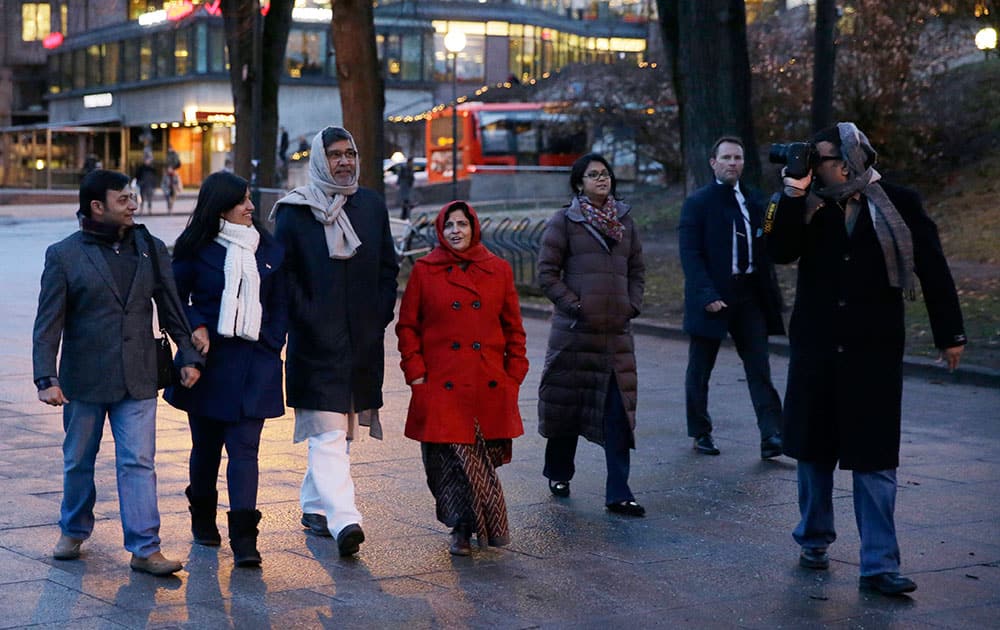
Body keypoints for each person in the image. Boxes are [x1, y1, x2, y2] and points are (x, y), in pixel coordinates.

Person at [768, 122, 966, 596]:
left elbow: (933, 266)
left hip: (872, 351)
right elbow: (778, 250)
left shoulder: (899, 203)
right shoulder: (804, 204)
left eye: (823, 160)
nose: (815, 168)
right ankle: (814, 540)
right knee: (814, 453)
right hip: (817, 348)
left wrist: (949, 333)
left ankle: (879, 564)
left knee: (875, 459)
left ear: (850, 160)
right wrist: (792, 195)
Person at [32, 169, 202, 576]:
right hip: (84, 381)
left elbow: (172, 305)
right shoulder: (64, 254)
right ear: (97, 206)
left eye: (133, 197)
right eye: (123, 199)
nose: (133, 204)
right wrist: (46, 378)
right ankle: (73, 529)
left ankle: (146, 547)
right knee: (78, 459)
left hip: (138, 376)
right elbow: (48, 322)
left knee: (139, 461)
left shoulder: (150, 247)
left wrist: (189, 355)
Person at [271, 126, 399, 556]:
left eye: (350, 153)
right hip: (313, 341)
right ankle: (346, 519)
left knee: (340, 433)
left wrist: (378, 314)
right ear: (319, 161)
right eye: (335, 155)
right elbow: (282, 275)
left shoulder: (370, 206)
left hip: (361, 341)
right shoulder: (294, 212)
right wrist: (306, 317)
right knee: (326, 432)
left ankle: (313, 505)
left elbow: (387, 268)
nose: (344, 162)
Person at [165, 171, 288, 568]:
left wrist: (272, 341)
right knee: (206, 448)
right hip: (210, 363)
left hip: (257, 364)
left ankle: (245, 539)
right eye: (242, 201)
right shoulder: (194, 248)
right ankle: (202, 518)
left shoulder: (266, 246)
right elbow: (173, 300)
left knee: (245, 449)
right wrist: (196, 323)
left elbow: (281, 303)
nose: (251, 207)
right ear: (220, 207)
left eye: (251, 199)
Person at [396, 200, 529, 555]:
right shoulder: (425, 270)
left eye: (463, 224)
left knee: (480, 461)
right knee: (446, 462)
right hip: (441, 384)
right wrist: (417, 376)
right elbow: (407, 327)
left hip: (487, 383)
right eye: (450, 225)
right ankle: (461, 526)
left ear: (474, 228)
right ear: (441, 230)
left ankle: (468, 526)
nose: (456, 231)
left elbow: (514, 329)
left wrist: (514, 375)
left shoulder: (498, 270)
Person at [536, 152, 646, 517]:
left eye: (605, 174)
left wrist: (631, 304)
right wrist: (577, 306)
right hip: (575, 335)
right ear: (579, 183)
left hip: (615, 336)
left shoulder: (625, 222)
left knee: (618, 414)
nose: (602, 179)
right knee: (567, 411)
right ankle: (558, 472)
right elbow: (547, 274)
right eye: (593, 175)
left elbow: (637, 270)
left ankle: (619, 492)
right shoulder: (565, 221)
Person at [678, 136, 786, 459]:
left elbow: (769, 244)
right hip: (712, 296)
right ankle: (700, 432)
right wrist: (706, 294)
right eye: (726, 158)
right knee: (700, 369)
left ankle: (772, 435)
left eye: (738, 158)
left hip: (748, 295)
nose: (732, 163)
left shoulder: (755, 201)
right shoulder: (698, 203)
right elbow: (690, 255)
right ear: (713, 163)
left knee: (759, 367)